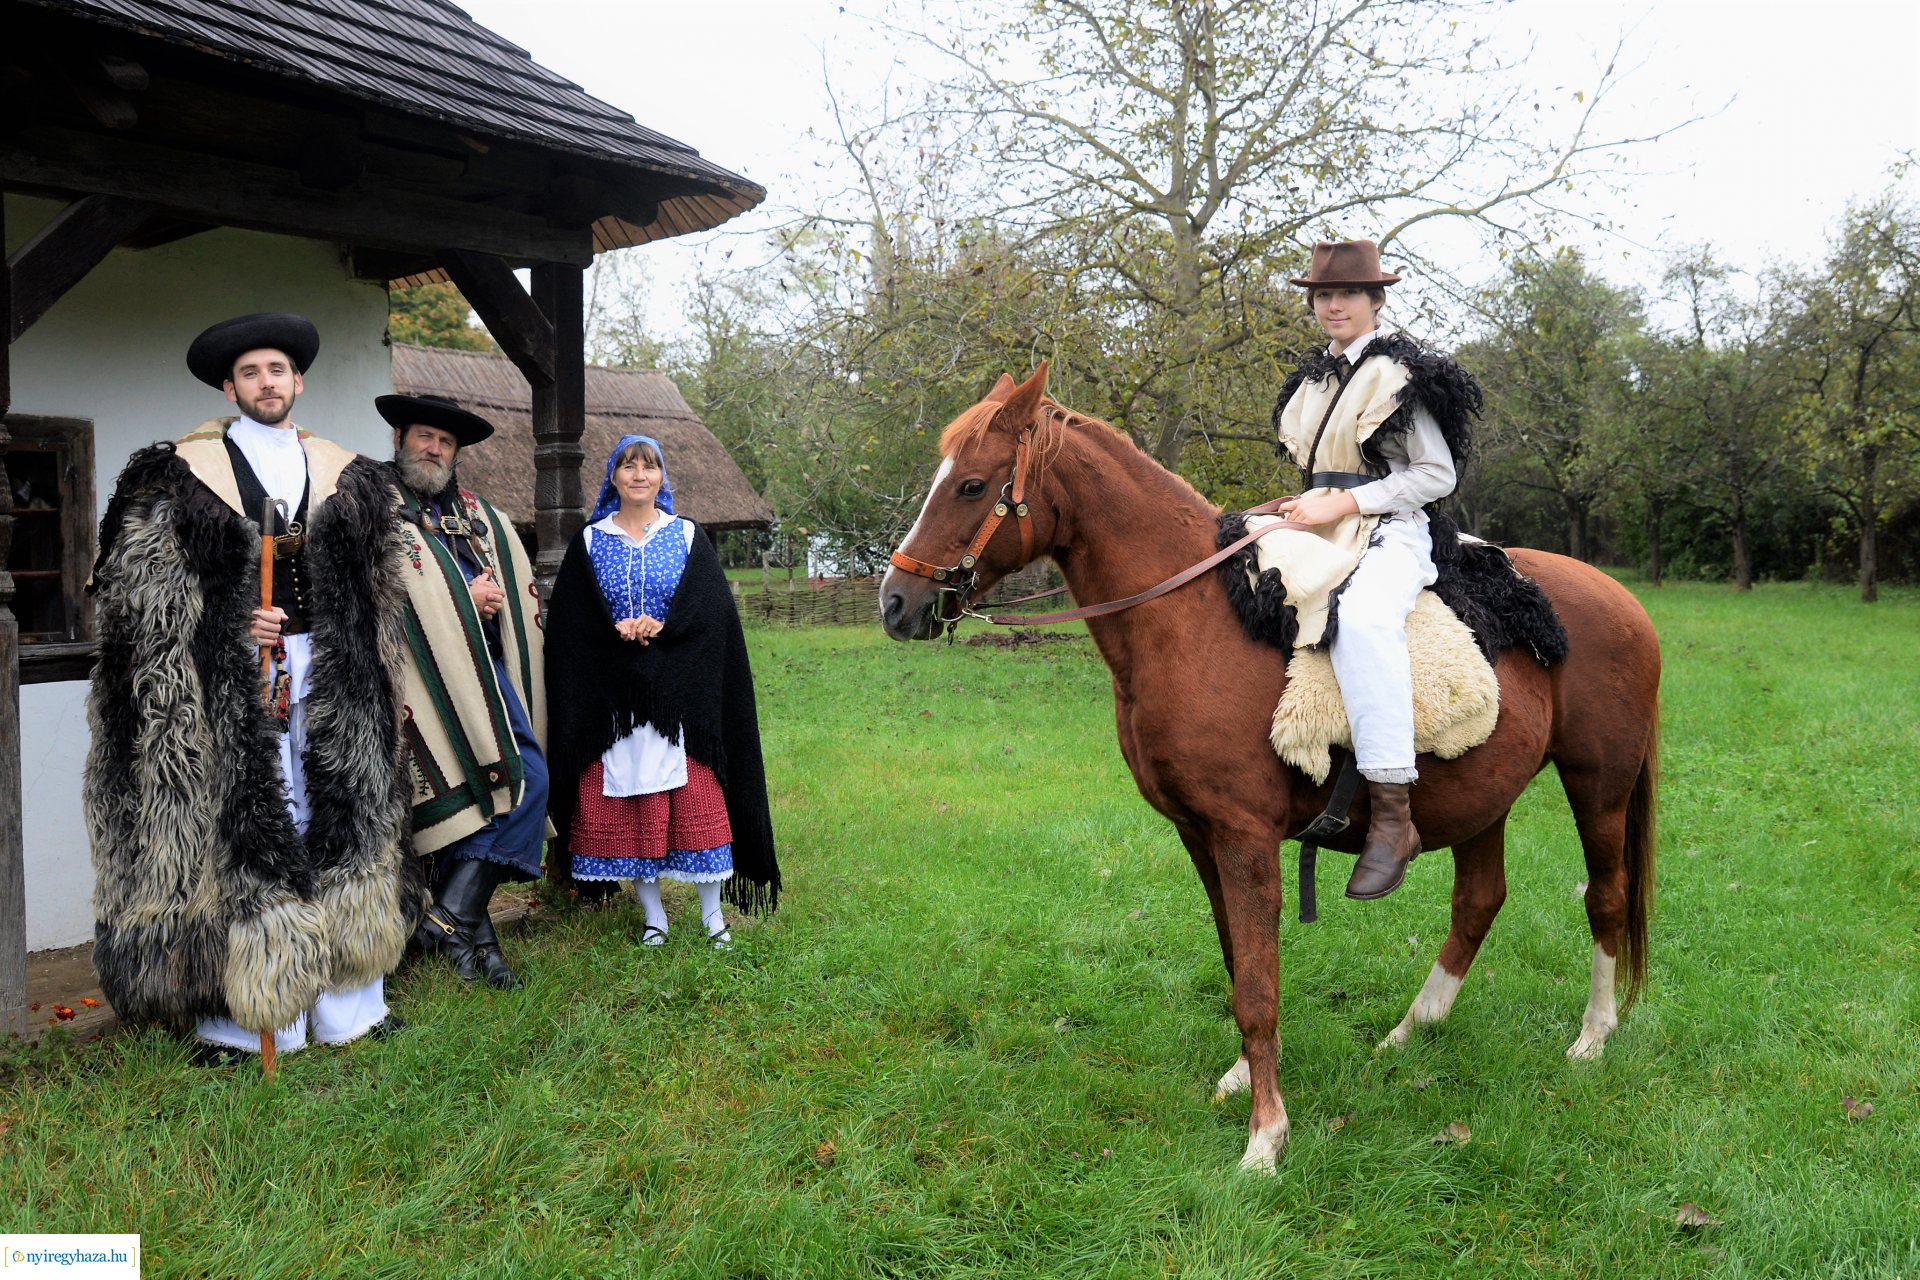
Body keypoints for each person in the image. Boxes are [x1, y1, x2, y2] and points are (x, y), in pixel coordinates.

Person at [86, 312, 419, 1063]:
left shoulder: (352, 474)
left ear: (297, 381)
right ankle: (248, 1017)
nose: (265, 383)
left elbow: (379, 589)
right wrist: (234, 626)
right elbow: (139, 590)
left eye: (277, 370)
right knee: (252, 817)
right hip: (228, 683)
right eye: (250, 373)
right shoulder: (179, 473)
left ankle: (350, 1005)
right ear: (229, 387)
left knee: (341, 815)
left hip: (335, 673)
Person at [1269, 240, 1482, 902]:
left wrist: (1348, 500)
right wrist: (1306, 505)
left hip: (1392, 528)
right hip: (1321, 523)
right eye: (1323, 296)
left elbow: (1435, 475)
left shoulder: (1399, 374)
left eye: (1348, 295)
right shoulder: (1315, 378)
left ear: (1376, 301)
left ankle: (1394, 818)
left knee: (1360, 620)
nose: (1333, 306)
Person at [543, 435, 779, 946]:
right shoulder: (591, 540)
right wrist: (615, 630)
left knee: (699, 800)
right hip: (615, 696)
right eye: (628, 466)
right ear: (613, 477)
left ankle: (713, 917)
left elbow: (712, 613)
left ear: (662, 478)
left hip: (679, 694)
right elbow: (571, 622)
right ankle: (654, 916)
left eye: (649, 467)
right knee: (632, 808)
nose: (638, 475)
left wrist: (665, 627)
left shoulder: (688, 536)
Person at [378, 393, 547, 990]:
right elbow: (378, 596)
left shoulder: (474, 514)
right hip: (419, 683)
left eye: (445, 443)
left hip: (485, 671)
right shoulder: (374, 509)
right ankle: (478, 944)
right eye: (425, 436)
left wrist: (490, 600)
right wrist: (460, 602)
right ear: (401, 437)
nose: (434, 448)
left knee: (522, 781)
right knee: (477, 801)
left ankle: (447, 919)